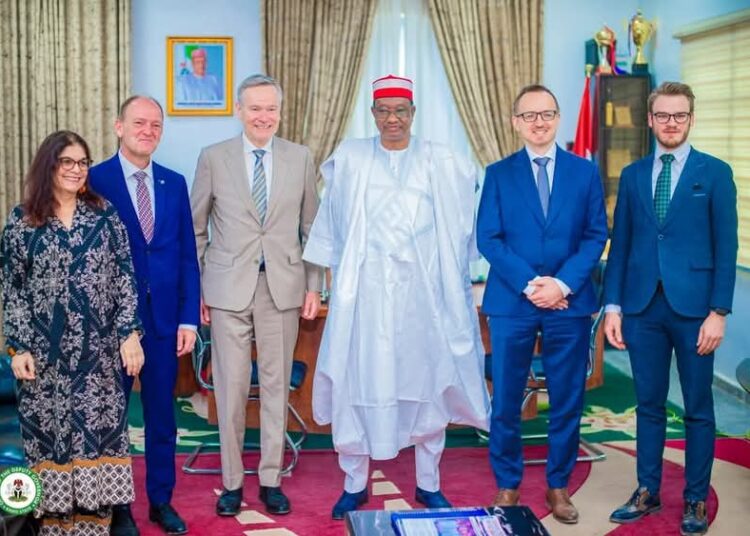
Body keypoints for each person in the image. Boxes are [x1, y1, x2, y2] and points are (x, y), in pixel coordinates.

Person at [302, 74, 490, 520]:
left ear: (412, 113)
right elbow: (330, 224)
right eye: (384, 111)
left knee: (427, 384)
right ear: (373, 114)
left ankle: (429, 483)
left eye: (400, 111)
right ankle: (354, 483)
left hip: (422, 300)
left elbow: (468, 208)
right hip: (365, 300)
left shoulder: (440, 160)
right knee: (357, 382)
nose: (392, 119)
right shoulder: (351, 159)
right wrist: (319, 283)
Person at [604, 82, 737, 536]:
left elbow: (727, 246)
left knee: (698, 406)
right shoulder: (633, 175)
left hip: (696, 311)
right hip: (642, 309)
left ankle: (695, 497)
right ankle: (647, 489)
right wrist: (614, 306)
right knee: (648, 403)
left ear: (691, 118)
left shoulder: (715, 173)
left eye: (680, 115)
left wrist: (719, 311)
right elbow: (621, 245)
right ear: (650, 119)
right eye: (663, 115)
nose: (671, 123)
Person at [1, 130, 145, 535]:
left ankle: (96, 525)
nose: (76, 169)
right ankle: (50, 525)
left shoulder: (104, 215)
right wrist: (17, 347)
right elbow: (12, 289)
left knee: (97, 439)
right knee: (50, 443)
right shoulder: (22, 221)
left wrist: (129, 334)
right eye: (67, 161)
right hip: (44, 361)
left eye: (82, 162)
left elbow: (124, 278)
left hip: (97, 357)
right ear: (49, 165)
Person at [191, 74, 322, 517]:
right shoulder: (214, 157)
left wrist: (314, 285)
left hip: (282, 289)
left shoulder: (300, 157)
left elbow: (312, 228)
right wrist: (199, 289)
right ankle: (231, 482)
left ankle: (270, 479)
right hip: (227, 289)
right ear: (239, 110)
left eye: (271, 108)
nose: (264, 116)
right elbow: (196, 229)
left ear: (280, 112)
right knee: (229, 389)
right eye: (255, 108)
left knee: (274, 387)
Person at [476, 84, 607, 524]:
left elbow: (595, 235)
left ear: (558, 118)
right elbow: (488, 237)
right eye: (529, 115)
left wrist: (562, 285)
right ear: (516, 122)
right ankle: (508, 484)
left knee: (567, 398)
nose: (539, 122)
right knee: (506, 399)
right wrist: (532, 284)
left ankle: (558, 486)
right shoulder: (498, 173)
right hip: (513, 302)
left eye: (547, 113)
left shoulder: (584, 172)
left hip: (569, 303)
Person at [89, 96, 200, 536]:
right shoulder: (94, 180)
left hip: (164, 323)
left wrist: (188, 318)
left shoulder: (174, 183)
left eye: (155, 124)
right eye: (139, 122)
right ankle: (117, 506)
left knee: (161, 417)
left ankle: (160, 500)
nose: (147, 131)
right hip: (109, 325)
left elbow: (187, 255)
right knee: (111, 419)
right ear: (119, 126)